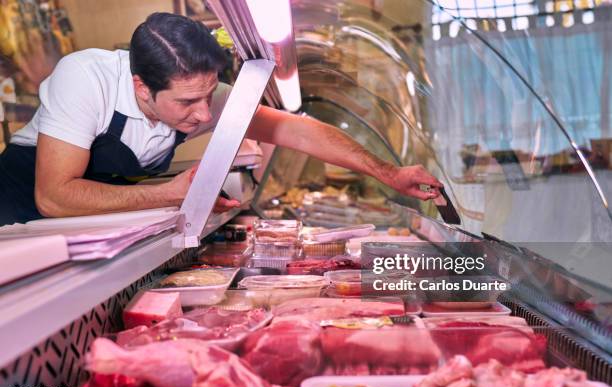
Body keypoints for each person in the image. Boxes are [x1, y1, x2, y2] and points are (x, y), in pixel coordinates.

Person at [0, 12, 441, 226]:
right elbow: (54, 197)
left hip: (87, 227)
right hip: (17, 222)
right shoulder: (84, 77)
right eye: (189, 102)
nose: (205, 114)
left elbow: (297, 130)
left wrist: (389, 171)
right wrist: (172, 195)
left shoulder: (195, 94)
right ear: (141, 88)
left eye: (210, 95)